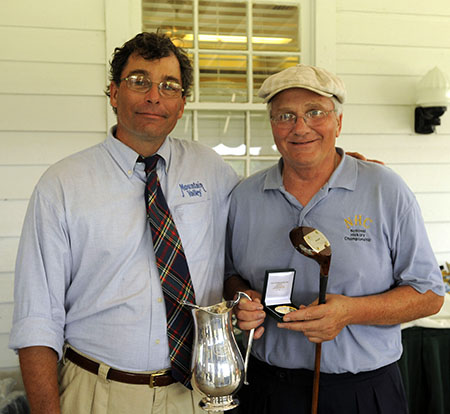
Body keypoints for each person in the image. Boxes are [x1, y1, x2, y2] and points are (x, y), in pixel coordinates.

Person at [9, 32, 239, 414]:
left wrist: (327, 168)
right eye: (139, 81)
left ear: (181, 105)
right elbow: (37, 318)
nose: (154, 96)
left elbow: (261, 217)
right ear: (114, 93)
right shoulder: (63, 184)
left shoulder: (212, 170)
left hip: (195, 395)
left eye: (169, 86)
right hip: (97, 393)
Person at [224, 64, 445, 414]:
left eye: (315, 112)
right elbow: (230, 275)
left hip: (364, 391)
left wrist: (350, 312)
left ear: (338, 122)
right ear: (273, 126)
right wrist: (242, 299)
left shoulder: (385, 189)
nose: (301, 127)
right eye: (285, 116)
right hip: (267, 390)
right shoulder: (244, 197)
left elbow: (430, 294)